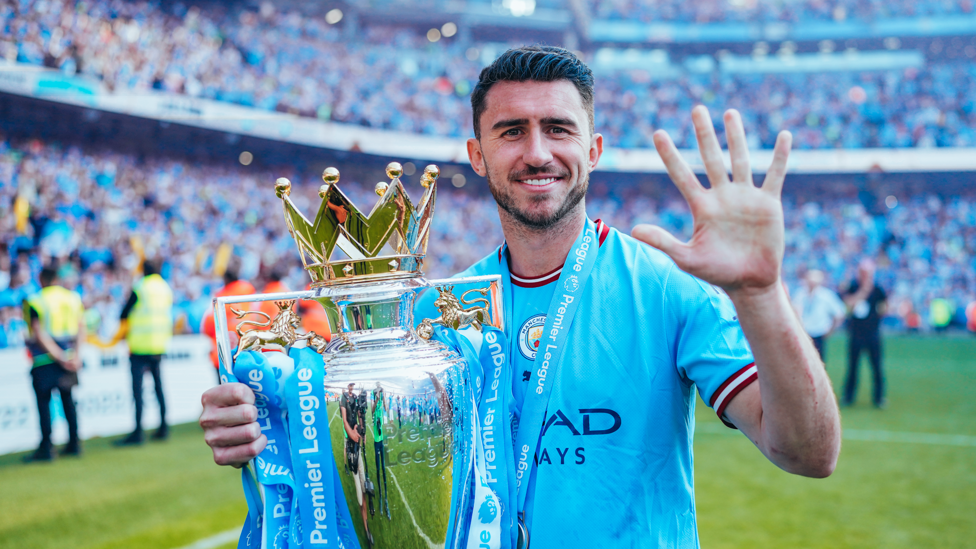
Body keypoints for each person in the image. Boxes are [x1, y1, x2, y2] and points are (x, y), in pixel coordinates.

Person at [197, 46, 840, 546]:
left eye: (558, 129)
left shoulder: (666, 287)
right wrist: (267, 430)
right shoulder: (434, 319)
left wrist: (761, 292)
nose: (537, 153)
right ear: (477, 155)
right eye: (512, 131)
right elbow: (362, 479)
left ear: (593, 148)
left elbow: (810, 453)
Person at [22, 264, 86, 462]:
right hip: (68, 356)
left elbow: (37, 331)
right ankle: (74, 443)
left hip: (44, 359)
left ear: (41, 279)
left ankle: (47, 448)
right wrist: (75, 356)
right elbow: (81, 327)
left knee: (44, 403)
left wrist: (58, 355)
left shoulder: (35, 300)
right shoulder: (73, 298)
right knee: (68, 400)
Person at [112, 258, 173, 445]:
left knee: (137, 390)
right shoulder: (165, 287)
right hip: (159, 343)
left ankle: (138, 432)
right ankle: (163, 427)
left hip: (140, 345)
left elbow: (124, 312)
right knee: (159, 387)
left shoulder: (141, 287)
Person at [841, 258, 888, 408]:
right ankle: (848, 397)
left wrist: (879, 313)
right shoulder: (853, 287)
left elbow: (884, 307)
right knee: (853, 367)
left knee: (876, 367)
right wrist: (864, 291)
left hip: (873, 333)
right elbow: (849, 304)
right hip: (856, 333)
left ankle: (879, 398)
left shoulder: (878, 289)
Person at [200, 257, 256, 380]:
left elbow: (207, 326)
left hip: (225, 353)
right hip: (249, 349)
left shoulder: (220, 297)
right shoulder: (248, 289)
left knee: (226, 390)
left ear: (225, 279)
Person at [340, 383, 373, 544]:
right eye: (350, 385)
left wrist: (363, 430)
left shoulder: (357, 399)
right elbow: (345, 419)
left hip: (358, 447)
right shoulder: (344, 398)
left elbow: (360, 415)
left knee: (363, 484)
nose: (352, 387)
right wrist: (351, 433)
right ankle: (365, 527)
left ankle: (366, 525)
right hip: (351, 447)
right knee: (359, 491)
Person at [791, 269, 847, 361]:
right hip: (804, 333)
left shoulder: (826, 295)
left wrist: (831, 329)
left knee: (819, 361)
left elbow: (839, 313)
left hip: (819, 332)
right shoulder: (800, 294)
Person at [371, 383, 391, 519]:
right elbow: (372, 411)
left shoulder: (382, 402)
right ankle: (380, 496)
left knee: (383, 469)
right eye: (377, 390)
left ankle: (386, 499)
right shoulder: (373, 400)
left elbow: (387, 410)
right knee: (378, 469)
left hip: (382, 440)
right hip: (376, 441)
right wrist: (377, 398)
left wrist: (384, 397)